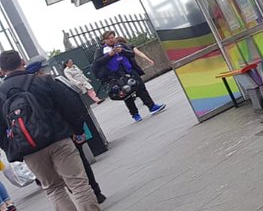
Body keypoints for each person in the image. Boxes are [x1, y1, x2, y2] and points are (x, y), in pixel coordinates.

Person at [0, 50, 99, 211]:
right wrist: (77, 130)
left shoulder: (1, 95)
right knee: (79, 184)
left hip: (30, 148)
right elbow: (69, 106)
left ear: (2, 70)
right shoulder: (43, 81)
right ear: (23, 62)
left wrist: (14, 148)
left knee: (53, 189)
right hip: (58, 139)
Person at [92, 31, 165, 122]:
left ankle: (152, 106)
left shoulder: (120, 45)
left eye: (113, 37)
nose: (112, 39)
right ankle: (135, 114)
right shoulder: (100, 51)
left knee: (141, 88)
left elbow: (132, 53)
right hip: (117, 75)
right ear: (104, 40)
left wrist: (122, 50)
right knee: (127, 95)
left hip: (130, 71)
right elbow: (97, 63)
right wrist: (109, 55)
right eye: (109, 38)